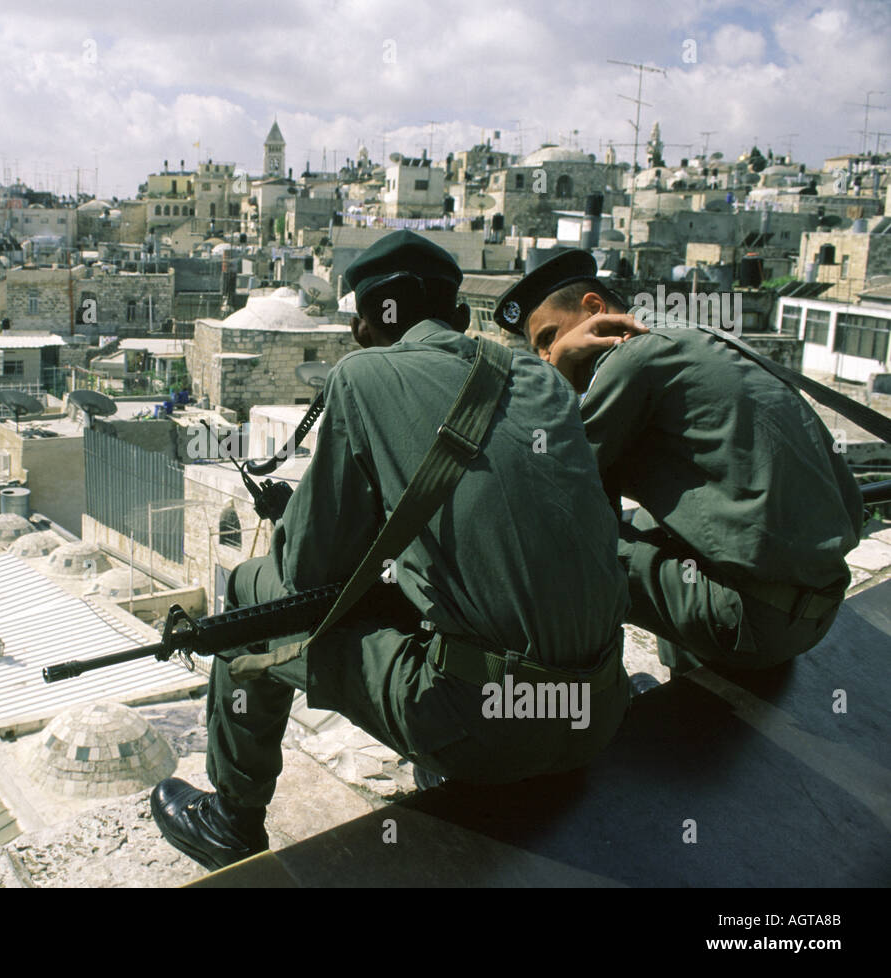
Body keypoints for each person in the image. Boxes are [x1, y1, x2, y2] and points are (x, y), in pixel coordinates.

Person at [150, 231, 632, 870]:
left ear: (370, 322)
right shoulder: (541, 381)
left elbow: (305, 575)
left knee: (247, 597)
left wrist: (306, 513)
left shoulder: (362, 377)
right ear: (459, 317)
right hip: (594, 714)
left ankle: (232, 818)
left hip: (489, 731)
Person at [492, 249, 864, 675]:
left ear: (593, 309)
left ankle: (591, 702)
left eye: (548, 338)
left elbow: (542, 478)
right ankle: (694, 679)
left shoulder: (631, 360)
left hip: (758, 621)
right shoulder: (689, 336)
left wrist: (554, 372)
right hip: (817, 609)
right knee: (650, 527)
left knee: (561, 546)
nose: (545, 355)